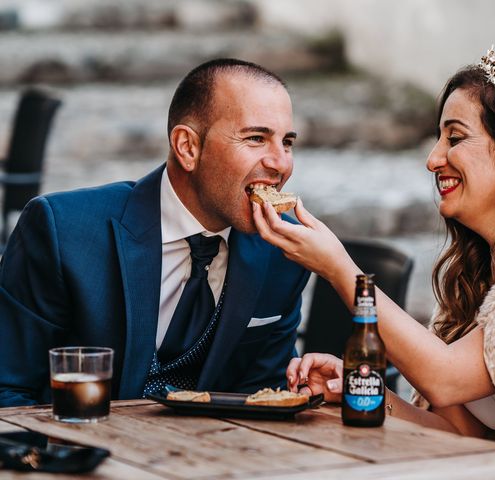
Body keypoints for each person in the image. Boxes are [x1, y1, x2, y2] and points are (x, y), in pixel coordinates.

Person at [252, 48, 495, 466]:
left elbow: (446, 378)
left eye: (455, 138)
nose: (433, 158)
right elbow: (461, 435)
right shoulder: (476, 277)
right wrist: (366, 392)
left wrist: (337, 267)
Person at [0, 58, 310, 407]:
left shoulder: (284, 251)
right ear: (188, 147)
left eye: (287, 142)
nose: (281, 163)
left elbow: (262, 394)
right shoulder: (63, 230)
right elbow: (7, 388)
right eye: (256, 138)